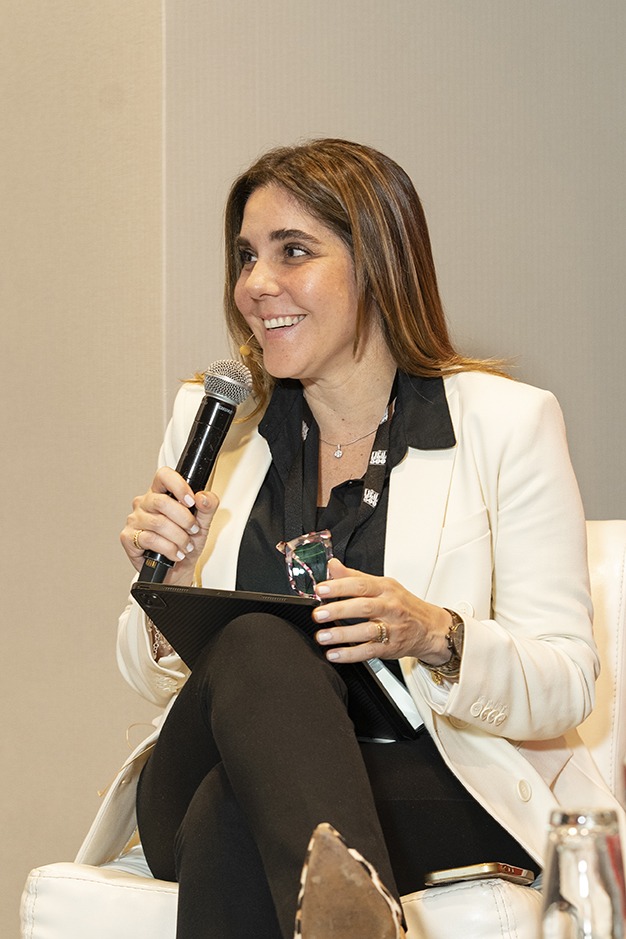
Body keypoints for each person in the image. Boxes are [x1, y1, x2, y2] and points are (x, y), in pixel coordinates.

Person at [117, 138, 618, 939]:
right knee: (256, 645)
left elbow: (566, 681)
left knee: (229, 814)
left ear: (378, 265)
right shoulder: (213, 424)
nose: (255, 284)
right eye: (246, 256)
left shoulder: (506, 424)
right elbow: (149, 678)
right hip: (205, 754)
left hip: (417, 777)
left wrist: (436, 633)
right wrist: (163, 588)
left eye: (293, 251)